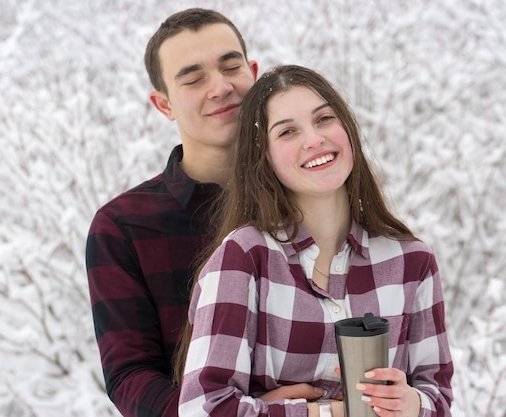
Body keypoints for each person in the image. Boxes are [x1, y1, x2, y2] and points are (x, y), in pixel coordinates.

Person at [176, 65, 454, 417]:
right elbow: (203, 408)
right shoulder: (244, 257)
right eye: (288, 132)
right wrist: (334, 413)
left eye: (324, 119)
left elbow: (438, 397)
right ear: (264, 157)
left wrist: (411, 403)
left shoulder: (412, 262)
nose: (313, 139)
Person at [86, 10, 324, 417]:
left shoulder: (317, 192)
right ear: (164, 105)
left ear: (252, 73)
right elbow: (130, 375)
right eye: (193, 79)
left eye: (231, 66)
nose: (220, 87)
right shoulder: (122, 227)